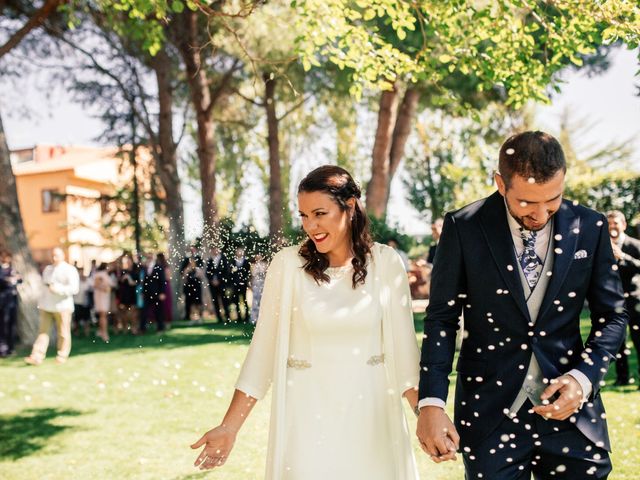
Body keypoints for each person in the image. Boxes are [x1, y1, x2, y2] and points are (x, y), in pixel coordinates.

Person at [416, 131, 628, 479]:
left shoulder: (589, 226)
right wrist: (432, 403)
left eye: (553, 200)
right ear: (500, 182)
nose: (541, 214)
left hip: (571, 419)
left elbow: (613, 314)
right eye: (527, 202)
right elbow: (442, 317)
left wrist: (583, 379)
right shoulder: (464, 226)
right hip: (491, 415)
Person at [191, 165, 421, 479]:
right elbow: (262, 354)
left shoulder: (386, 263)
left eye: (319, 213)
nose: (310, 226)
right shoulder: (287, 266)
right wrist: (229, 428)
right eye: (303, 215)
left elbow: (405, 356)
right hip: (308, 418)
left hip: (372, 417)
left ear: (349, 206)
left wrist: (427, 417)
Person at [25, 247, 80, 365]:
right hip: (47, 305)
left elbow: (74, 289)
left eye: (57, 255)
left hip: (63, 306)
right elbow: (45, 287)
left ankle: (62, 355)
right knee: (43, 332)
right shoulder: (48, 269)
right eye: (53, 255)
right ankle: (37, 356)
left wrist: (58, 289)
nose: (54, 258)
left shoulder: (70, 270)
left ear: (63, 256)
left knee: (63, 332)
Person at [607, 210, 640, 388]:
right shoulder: (603, 247)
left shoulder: (634, 244)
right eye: (609, 224)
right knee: (619, 342)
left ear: (624, 225)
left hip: (635, 301)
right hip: (613, 302)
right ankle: (622, 378)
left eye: (616, 223)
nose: (613, 227)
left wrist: (623, 257)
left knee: (638, 340)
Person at [0, 249, 21, 357]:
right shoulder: (1, 270)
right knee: (3, 325)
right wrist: (9, 280)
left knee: (12, 325)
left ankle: (11, 348)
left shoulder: (12, 269)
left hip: (12, 301)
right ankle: (3, 349)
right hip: (3, 303)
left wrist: (15, 279)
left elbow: (20, 279)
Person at [141, 253, 167, 333]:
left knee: (158, 311)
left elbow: (162, 281)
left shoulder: (159, 267)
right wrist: (143, 292)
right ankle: (142, 328)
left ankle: (160, 328)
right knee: (144, 311)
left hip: (157, 293)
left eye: (150, 257)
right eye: (148, 257)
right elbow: (144, 282)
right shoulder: (145, 268)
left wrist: (162, 292)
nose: (149, 258)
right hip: (147, 294)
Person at [205, 246, 231, 322]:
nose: (214, 251)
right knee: (215, 301)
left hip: (222, 284)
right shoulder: (210, 260)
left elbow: (226, 272)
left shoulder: (223, 259)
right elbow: (207, 273)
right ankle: (219, 318)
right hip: (212, 284)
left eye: (216, 249)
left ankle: (227, 317)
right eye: (213, 249)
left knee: (224, 300)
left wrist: (219, 280)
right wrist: (212, 281)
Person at [116, 254, 139, 335]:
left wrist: (130, 280)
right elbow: (119, 283)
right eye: (126, 262)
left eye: (129, 261)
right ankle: (125, 328)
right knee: (124, 313)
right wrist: (122, 279)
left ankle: (134, 328)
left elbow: (137, 282)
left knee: (133, 313)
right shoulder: (122, 272)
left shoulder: (135, 272)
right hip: (124, 294)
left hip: (132, 294)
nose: (128, 263)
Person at [93, 262, 115, 342]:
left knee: (103, 315)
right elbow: (96, 285)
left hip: (104, 297)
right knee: (103, 315)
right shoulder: (100, 274)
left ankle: (100, 331)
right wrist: (104, 289)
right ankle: (104, 333)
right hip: (101, 297)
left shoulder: (105, 274)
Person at [229, 246, 250, 323]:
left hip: (243, 284)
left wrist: (244, 280)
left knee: (244, 300)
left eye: (241, 251)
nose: (239, 253)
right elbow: (230, 272)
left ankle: (246, 317)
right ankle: (238, 317)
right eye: (238, 251)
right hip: (235, 284)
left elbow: (248, 273)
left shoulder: (246, 261)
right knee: (236, 300)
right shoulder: (233, 261)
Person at [182, 257, 206, 322]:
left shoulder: (198, 269)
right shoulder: (187, 269)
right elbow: (184, 280)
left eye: (193, 262)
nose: (192, 263)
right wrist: (186, 271)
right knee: (191, 303)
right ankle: (192, 317)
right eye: (190, 262)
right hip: (189, 289)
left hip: (197, 288)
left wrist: (198, 273)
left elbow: (202, 277)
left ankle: (200, 317)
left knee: (198, 303)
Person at [249, 252, 268, 324]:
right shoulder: (253, 266)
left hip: (263, 284)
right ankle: (254, 318)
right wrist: (251, 285)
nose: (258, 258)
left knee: (262, 300)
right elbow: (252, 276)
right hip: (255, 284)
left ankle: (263, 317)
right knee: (255, 301)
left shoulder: (265, 265)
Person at [72, 266, 92, 337]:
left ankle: (87, 333)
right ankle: (76, 332)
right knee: (76, 319)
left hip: (85, 303)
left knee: (86, 319)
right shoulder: (75, 281)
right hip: (77, 302)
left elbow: (92, 289)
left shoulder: (89, 280)